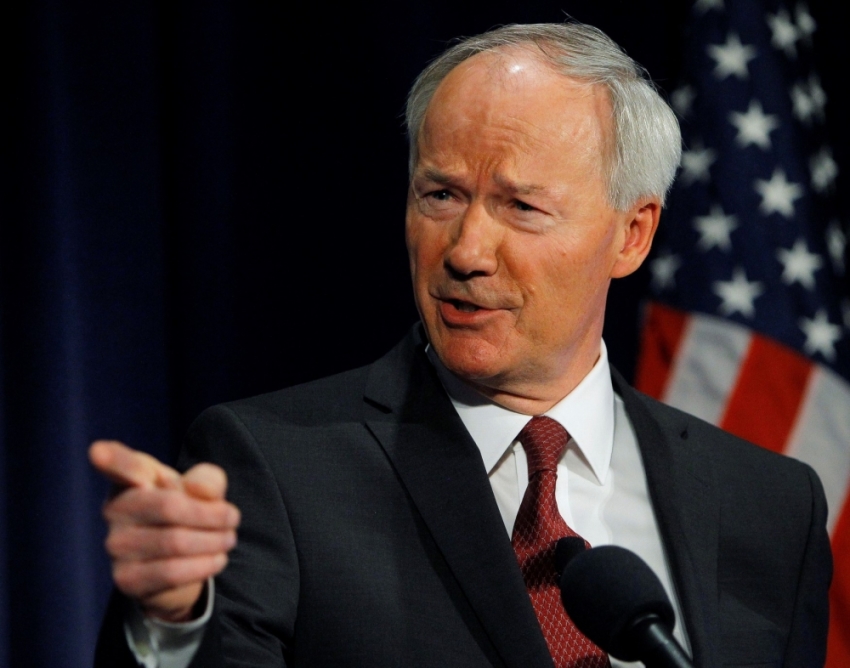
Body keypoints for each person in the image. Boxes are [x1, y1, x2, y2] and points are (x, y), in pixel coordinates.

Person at [90, 22, 831, 668]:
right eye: (440, 195)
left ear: (632, 235)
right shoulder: (275, 469)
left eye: (521, 206)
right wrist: (173, 622)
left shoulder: (770, 507)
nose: (466, 249)